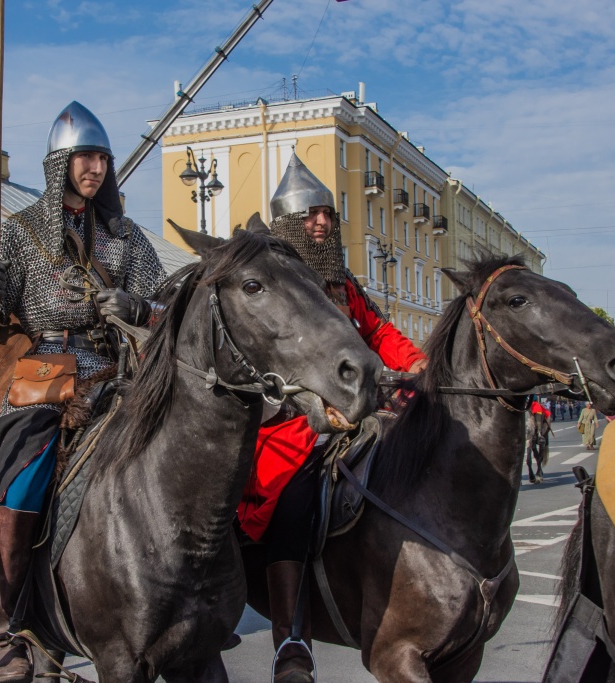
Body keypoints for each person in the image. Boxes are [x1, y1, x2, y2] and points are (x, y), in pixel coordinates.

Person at [0, 101, 165, 683]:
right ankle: (7, 626)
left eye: (102, 157)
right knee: (24, 467)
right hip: (45, 374)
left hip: (115, 370)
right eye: (84, 157)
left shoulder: (124, 237)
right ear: (60, 164)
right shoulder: (21, 230)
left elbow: (164, 303)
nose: (96, 167)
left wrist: (138, 306)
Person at [238, 154, 427, 683]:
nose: (322, 222)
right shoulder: (277, 281)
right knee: (294, 503)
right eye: (311, 215)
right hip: (296, 424)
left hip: (363, 412)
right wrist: (313, 405)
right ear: (289, 223)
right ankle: (290, 640)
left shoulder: (342, 282)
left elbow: (379, 332)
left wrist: (416, 363)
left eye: (326, 214)